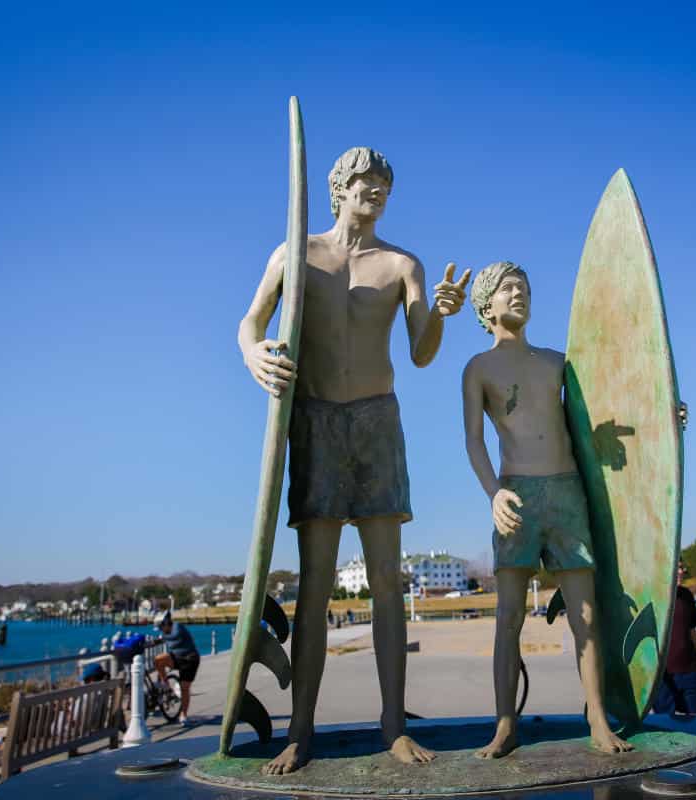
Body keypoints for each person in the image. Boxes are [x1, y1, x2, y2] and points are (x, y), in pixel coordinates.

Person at [238, 146, 469, 774]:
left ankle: (393, 725)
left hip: (376, 420)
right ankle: (301, 729)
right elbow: (249, 324)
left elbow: (421, 353)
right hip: (315, 422)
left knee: (387, 585)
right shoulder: (293, 253)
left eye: (385, 189)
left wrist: (442, 315)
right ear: (339, 187)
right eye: (367, 184)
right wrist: (254, 355)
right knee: (314, 586)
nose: (377, 195)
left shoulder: (402, 265)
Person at [461, 260, 633, 758]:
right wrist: (493, 492)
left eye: (525, 288)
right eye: (508, 288)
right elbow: (473, 441)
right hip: (516, 493)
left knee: (585, 614)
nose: (519, 295)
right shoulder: (478, 368)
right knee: (508, 615)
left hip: (567, 492)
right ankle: (504, 723)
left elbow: (599, 418)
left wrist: (668, 414)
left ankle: (598, 719)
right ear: (486, 303)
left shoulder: (559, 362)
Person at [651, 562, 696, 715]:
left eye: (682, 568)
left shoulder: (686, 595)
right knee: (666, 727)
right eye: (677, 567)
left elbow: (692, 633)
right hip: (661, 677)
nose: (681, 571)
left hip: (690, 672)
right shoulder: (651, 596)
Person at [153, 610, 200, 724]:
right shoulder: (166, 633)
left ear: (166, 623)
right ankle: (166, 685)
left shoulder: (177, 627)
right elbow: (165, 638)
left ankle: (184, 715)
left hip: (190, 660)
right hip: (177, 658)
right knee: (158, 660)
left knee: (184, 688)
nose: (160, 630)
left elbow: (174, 637)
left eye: (161, 627)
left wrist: (162, 637)